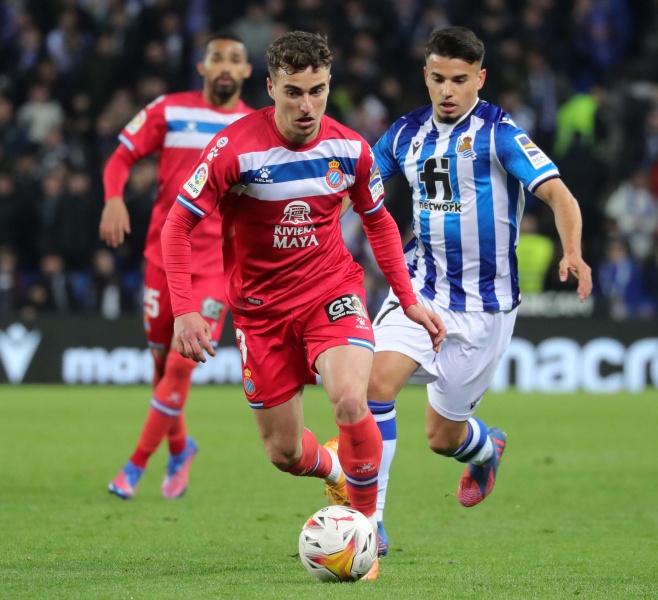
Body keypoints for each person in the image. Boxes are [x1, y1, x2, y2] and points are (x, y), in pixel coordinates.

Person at [160, 31, 446, 580]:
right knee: (284, 453)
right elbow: (178, 226)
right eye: (293, 92)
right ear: (271, 88)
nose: (307, 105)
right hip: (260, 313)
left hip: (330, 292)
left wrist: (407, 299)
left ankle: (365, 531)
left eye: (317, 91)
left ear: (329, 85)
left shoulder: (350, 149)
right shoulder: (234, 149)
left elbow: (379, 222)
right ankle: (338, 471)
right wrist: (185, 308)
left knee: (351, 400)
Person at [365, 26, 593, 556]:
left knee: (441, 437)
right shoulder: (404, 133)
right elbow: (357, 183)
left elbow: (561, 197)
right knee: (375, 384)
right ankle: (369, 522)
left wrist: (573, 252)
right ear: (426, 76)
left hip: (484, 309)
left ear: (480, 79)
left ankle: (485, 449)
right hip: (420, 288)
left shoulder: (500, 134)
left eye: (460, 80)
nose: (447, 90)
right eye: (438, 78)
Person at [101, 30, 254, 500]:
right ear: (202, 67)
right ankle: (180, 448)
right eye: (217, 58)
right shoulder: (169, 110)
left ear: (247, 71)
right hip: (161, 258)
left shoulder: (254, 127)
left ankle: (134, 467)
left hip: (214, 268)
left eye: (234, 59)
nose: (225, 66)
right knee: (160, 365)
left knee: (180, 365)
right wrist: (113, 199)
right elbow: (120, 157)